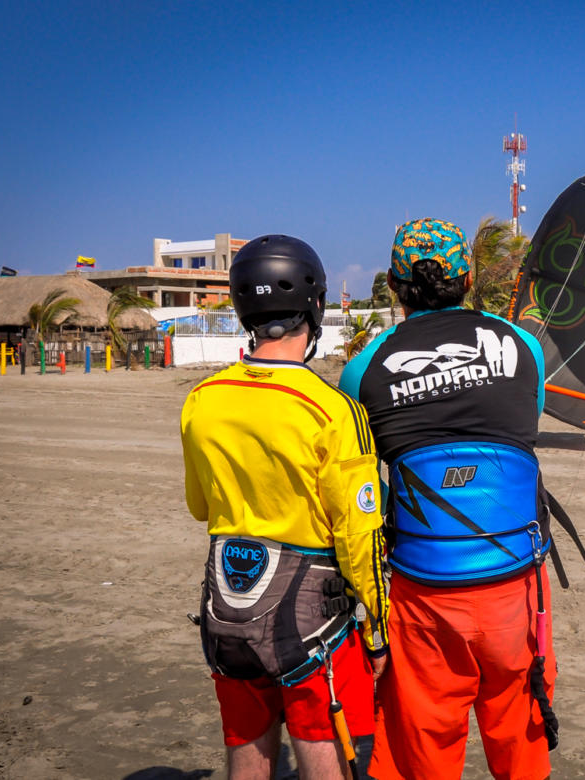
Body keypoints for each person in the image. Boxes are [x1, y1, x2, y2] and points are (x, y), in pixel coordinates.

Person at [339, 218, 555, 780]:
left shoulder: (362, 371)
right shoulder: (524, 346)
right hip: (515, 584)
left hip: (424, 592)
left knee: (424, 750)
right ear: (469, 279)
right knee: (521, 742)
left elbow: (364, 477)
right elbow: (520, 430)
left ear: (394, 285)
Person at [181, 235, 389, 779]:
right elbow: (359, 536)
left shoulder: (202, 400)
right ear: (314, 307)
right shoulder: (333, 411)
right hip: (311, 621)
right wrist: (378, 631)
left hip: (227, 608)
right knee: (325, 755)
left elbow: (199, 506)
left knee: (246, 753)